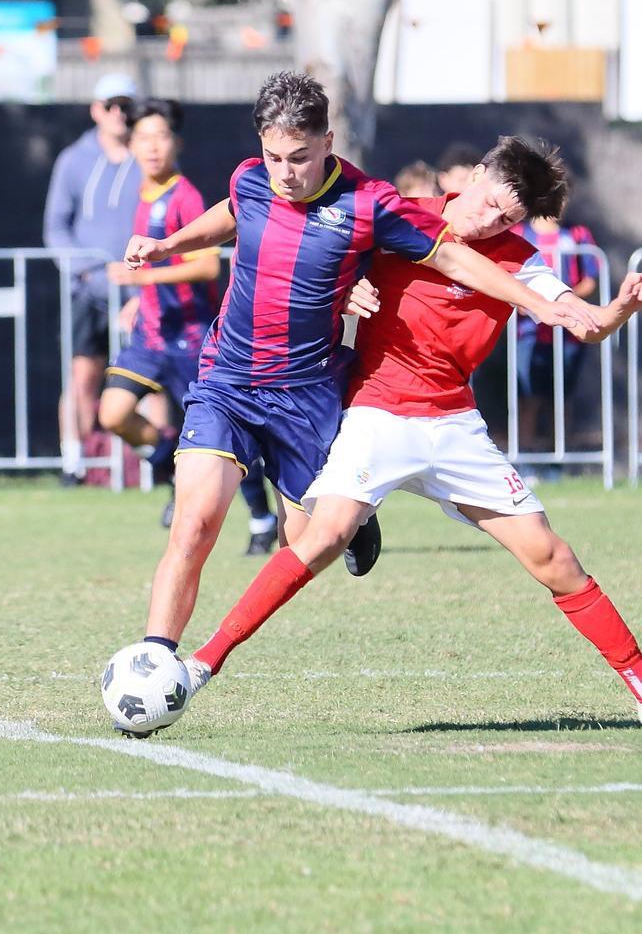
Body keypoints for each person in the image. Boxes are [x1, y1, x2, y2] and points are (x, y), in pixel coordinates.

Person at [118, 74, 593, 710]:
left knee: (304, 539)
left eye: (299, 158)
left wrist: (543, 303)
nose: (284, 173)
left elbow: (453, 258)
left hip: (308, 393)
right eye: (273, 157)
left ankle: (356, 519)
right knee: (196, 522)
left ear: (328, 143)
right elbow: (231, 216)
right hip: (227, 380)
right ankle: (156, 662)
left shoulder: (372, 203)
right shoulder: (249, 178)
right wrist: (168, 243)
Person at [182, 135, 642, 726]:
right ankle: (202, 664)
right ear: (473, 175)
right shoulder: (398, 216)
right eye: (488, 204)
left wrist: (618, 311)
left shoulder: (520, 259)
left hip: (453, 425)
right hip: (378, 411)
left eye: (507, 218)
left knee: (553, 558)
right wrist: (347, 289)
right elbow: (318, 265)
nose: (489, 221)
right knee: (321, 539)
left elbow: (584, 324)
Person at [98, 97, 277, 544]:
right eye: (144, 138)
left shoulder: (185, 195)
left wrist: (146, 277)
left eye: (161, 137)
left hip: (191, 338)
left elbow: (205, 266)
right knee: (112, 412)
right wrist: (142, 300)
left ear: (175, 142)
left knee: (225, 433)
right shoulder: (141, 195)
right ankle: (171, 468)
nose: (153, 147)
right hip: (151, 336)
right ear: (132, 145)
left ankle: (261, 517)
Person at [43, 72, 143, 486]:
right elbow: (56, 226)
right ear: (96, 110)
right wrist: (84, 269)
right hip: (88, 291)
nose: (119, 113)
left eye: (127, 105)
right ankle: (76, 464)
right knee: (82, 375)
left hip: (140, 293)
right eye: (111, 105)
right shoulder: (73, 159)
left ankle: (151, 465)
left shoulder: (152, 156)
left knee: (147, 381)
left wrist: (149, 280)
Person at [515, 215, 600, 464]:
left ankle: (557, 461)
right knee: (528, 395)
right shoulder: (521, 234)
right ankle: (526, 460)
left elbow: (589, 279)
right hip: (530, 332)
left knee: (561, 396)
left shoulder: (577, 235)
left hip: (567, 333)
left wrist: (560, 301)